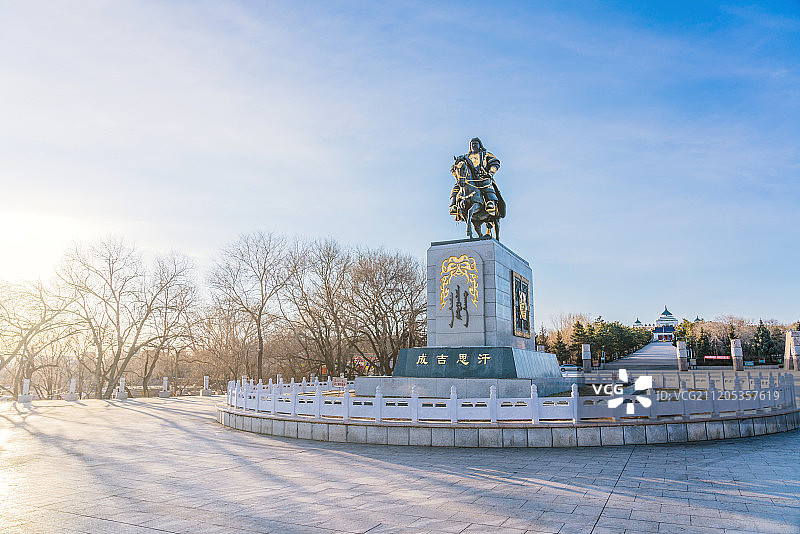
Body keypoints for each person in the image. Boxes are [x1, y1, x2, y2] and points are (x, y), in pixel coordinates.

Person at [449, 137, 502, 217]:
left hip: (481, 175)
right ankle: (454, 205)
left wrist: (490, 173)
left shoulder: (485, 154)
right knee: (456, 187)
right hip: (468, 177)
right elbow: (459, 165)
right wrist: (455, 168)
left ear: (479, 145)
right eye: (472, 144)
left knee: (487, 184)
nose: (474, 145)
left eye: (476, 143)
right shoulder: (466, 157)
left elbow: (495, 163)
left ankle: (490, 203)